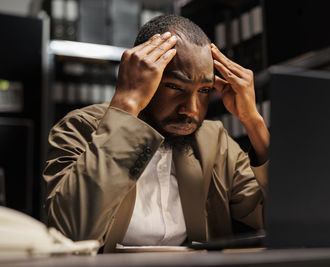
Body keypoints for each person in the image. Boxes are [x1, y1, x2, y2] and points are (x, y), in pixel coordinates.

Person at [43, 14, 270, 253]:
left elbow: (284, 217)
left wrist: (252, 120)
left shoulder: (214, 141)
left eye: (204, 90)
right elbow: (71, 233)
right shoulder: (78, 128)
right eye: (174, 87)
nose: (190, 110)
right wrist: (127, 103)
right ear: (141, 74)